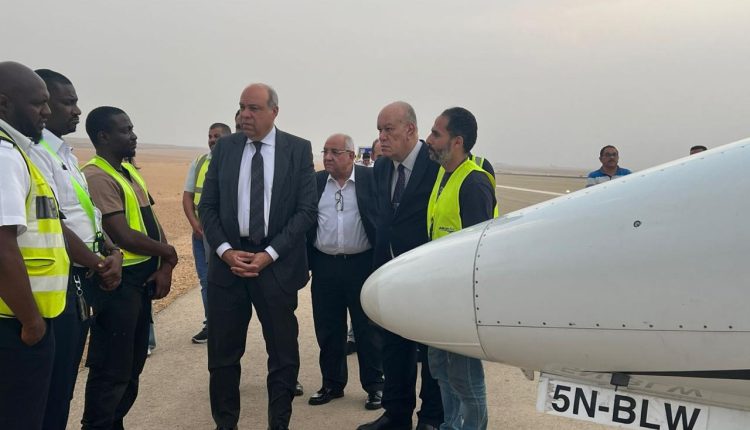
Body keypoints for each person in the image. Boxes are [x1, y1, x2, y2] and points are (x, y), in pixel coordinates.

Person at [0, 61, 119, 430]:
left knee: (45, 405)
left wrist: (108, 254)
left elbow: (58, 222)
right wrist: (32, 323)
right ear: (4, 103)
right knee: (29, 414)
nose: (46, 111)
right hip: (18, 320)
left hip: (37, 311)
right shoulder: (6, 156)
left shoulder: (24, 153)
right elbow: (2, 246)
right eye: (39, 103)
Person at [199, 83, 316, 430]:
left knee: (282, 355)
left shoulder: (297, 149)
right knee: (222, 356)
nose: (244, 115)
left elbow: (306, 211)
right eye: (241, 107)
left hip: (275, 268)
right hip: (229, 267)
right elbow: (208, 206)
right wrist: (225, 252)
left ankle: (279, 424)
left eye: (253, 108)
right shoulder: (225, 149)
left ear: (274, 112)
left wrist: (269, 253)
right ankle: (225, 425)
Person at [31, 68, 125, 430]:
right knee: (50, 390)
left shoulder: (65, 154)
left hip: (86, 274)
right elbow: (55, 224)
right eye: (68, 102)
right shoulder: (35, 154)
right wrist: (100, 264)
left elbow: (88, 217)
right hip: (62, 280)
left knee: (65, 385)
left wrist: (112, 252)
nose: (77, 110)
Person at [81, 106, 178, 429]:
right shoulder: (97, 176)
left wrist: (165, 264)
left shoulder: (127, 171)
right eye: (125, 130)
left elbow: (152, 221)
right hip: (117, 284)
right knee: (112, 368)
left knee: (131, 365)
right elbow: (122, 235)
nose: (133, 136)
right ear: (103, 136)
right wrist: (169, 253)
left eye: (132, 129)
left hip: (139, 282)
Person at [358, 101, 443, 430]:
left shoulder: (435, 164)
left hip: (427, 278)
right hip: (391, 276)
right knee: (394, 348)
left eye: (388, 129)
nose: (381, 137)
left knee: (430, 353)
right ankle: (395, 414)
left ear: (410, 130)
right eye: (379, 130)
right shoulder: (381, 167)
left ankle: (431, 419)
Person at [425, 107, 496, 430]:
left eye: (436, 134)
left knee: (466, 379)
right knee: (441, 370)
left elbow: (481, 250)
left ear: (457, 141)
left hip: (462, 300)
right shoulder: (443, 174)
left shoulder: (474, 182)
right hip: (439, 295)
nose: (429, 140)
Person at [307, 133, 383, 409]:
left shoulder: (370, 179)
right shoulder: (316, 182)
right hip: (325, 266)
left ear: (351, 156)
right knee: (328, 328)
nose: (327, 157)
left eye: (334, 152)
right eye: (325, 151)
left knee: (367, 329)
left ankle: (375, 386)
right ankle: (332, 384)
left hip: (362, 265)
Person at [183, 122, 231, 344]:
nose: (212, 140)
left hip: (223, 234)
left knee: (224, 281)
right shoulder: (199, 162)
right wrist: (195, 224)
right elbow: (187, 197)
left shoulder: (235, 161)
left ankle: (226, 324)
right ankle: (211, 324)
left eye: (217, 136)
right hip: (201, 234)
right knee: (206, 280)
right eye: (210, 136)